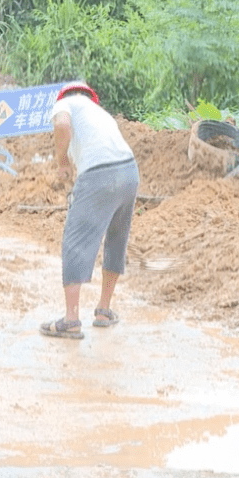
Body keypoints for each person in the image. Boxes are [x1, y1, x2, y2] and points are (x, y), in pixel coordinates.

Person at [40, 81, 140, 339]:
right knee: (117, 240)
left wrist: (62, 162)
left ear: (66, 95)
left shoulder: (66, 103)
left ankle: (71, 319)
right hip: (129, 171)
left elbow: (61, 124)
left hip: (99, 174)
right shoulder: (100, 114)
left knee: (75, 241)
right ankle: (104, 311)